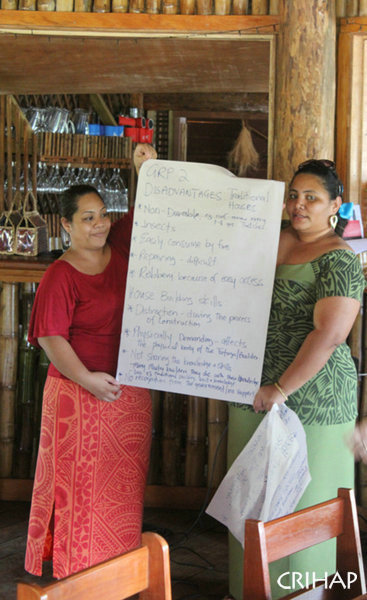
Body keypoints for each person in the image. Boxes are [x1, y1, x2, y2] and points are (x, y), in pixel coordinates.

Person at [227, 159, 366, 599]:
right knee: (250, 502)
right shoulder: (270, 241)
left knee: (307, 504)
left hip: (313, 399)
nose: (299, 205)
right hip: (252, 393)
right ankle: (245, 590)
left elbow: (329, 335)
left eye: (312, 198)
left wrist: (281, 389)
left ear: (335, 207)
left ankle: (305, 593)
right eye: (294, 196)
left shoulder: (339, 258)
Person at [25, 143, 157, 579]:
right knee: (77, 491)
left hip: (127, 392)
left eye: (102, 214)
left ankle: (117, 572)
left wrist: (144, 171)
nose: (99, 224)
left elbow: (148, 212)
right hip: (79, 396)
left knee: (119, 490)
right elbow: (50, 338)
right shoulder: (60, 274)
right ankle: (77, 574)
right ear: (65, 225)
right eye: (87, 217)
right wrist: (87, 380)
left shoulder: (118, 246)